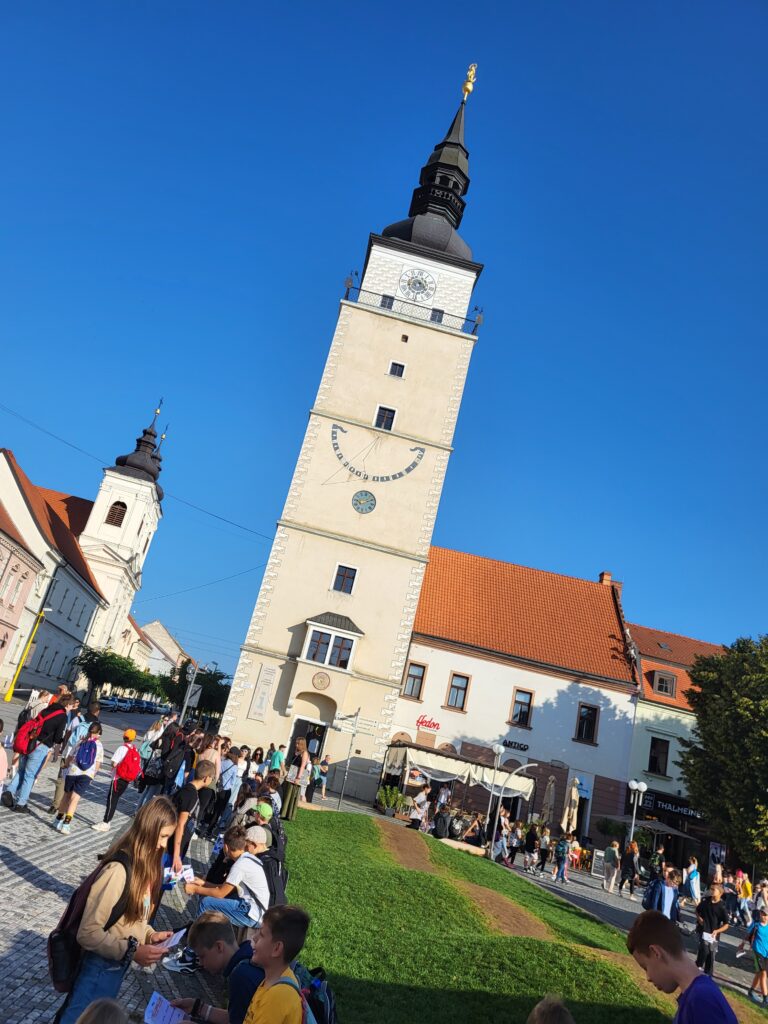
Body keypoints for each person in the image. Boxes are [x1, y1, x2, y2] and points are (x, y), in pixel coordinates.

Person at [54, 798, 177, 1024]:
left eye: (168, 837)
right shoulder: (118, 871)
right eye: (163, 836)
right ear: (148, 830)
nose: (163, 845)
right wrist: (132, 951)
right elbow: (88, 933)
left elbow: (129, 917)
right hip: (97, 969)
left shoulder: (143, 868)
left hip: (112, 968)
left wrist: (150, 934)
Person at [627, 909, 737, 1023]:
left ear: (656, 953)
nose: (648, 977)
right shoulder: (695, 994)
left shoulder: (701, 1000)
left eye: (645, 967)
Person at [171, 912, 265, 1024]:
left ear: (219, 947)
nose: (200, 962)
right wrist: (197, 1007)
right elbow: (235, 1017)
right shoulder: (246, 957)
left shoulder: (241, 976)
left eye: (202, 956)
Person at [184, 825, 270, 928]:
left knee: (205, 903)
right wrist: (203, 883)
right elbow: (224, 887)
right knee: (208, 898)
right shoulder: (247, 859)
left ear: (226, 847)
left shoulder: (240, 865)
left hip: (252, 913)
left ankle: (195, 938)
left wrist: (195, 889)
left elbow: (220, 893)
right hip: (254, 909)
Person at [2, 694, 74, 812]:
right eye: (71, 706)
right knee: (30, 775)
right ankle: (21, 803)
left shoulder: (47, 709)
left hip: (29, 742)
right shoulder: (62, 716)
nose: (71, 709)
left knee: (21, 771)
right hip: (41, 747)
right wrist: (63, 740)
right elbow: (57, 739)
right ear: (67, 704)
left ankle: (9, 791)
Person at [245, 905, 311, 1024]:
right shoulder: (279, 978)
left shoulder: (277, 997)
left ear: (276, 949)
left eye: (261, 934)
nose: (254, 937)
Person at [54, 722, 104, 834]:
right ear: (99, 733)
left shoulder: (81, 741)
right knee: (74, 799)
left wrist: (66, 765)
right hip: (86, 774)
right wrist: (93, 776)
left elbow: (70, 756)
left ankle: (58, 820)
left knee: (66, 796)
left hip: (73, 771)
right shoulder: (99, 745)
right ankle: (66, 825)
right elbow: (98, 764)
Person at [169, 760, 215, 873]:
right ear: (206, 778)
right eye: (212, 778)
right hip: (173, 846)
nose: (212, 780)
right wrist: (176, 854)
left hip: (178, 843)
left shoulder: (190, 791)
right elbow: (181, 824)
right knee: (163, 881)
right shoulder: (191, 795)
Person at [92, 729, 140, 832]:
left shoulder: (122, 748)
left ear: (124, 737)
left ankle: (106, 823)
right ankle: (107, 821)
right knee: (115, 800)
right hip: (127, 779)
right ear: (133, 738)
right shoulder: (134, 749)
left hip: (117, 778)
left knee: (111, 800)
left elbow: (114, 763)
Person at [695, 883, 730, 976]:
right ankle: (697, 966)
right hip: (704, 932)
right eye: (711, 889)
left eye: (714, 889)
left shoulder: (722, 907)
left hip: (714, 936)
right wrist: (699, 918)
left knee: (711, 954)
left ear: (720, 893)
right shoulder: (706, 901)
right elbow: (697, 910)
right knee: (704, 950)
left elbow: (726, 924)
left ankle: (708, 974)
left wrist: (717, 931)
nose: (711, 891)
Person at [737, 906, 768, 1005]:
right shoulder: (756, 925)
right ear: (760, 914)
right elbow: (748, 935)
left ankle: (751, 990)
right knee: (763, 974)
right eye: (763, 914)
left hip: (766, 953)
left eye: (766, 915)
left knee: (759, 974)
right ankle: (765, 998)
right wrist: (742, 944)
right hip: (757, 951)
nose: (765, 916)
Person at [281, 738, 309, 821]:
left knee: (292, 794)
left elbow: (303, 766)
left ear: (302, 744)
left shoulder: (304, 753)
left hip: (296, 776)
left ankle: (288, 814)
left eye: (298, 744)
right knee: (286, 792)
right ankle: (283, 812)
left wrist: (298, 778)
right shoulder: (296, 752)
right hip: (291, 773)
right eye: (296, 743)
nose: (296, 745)